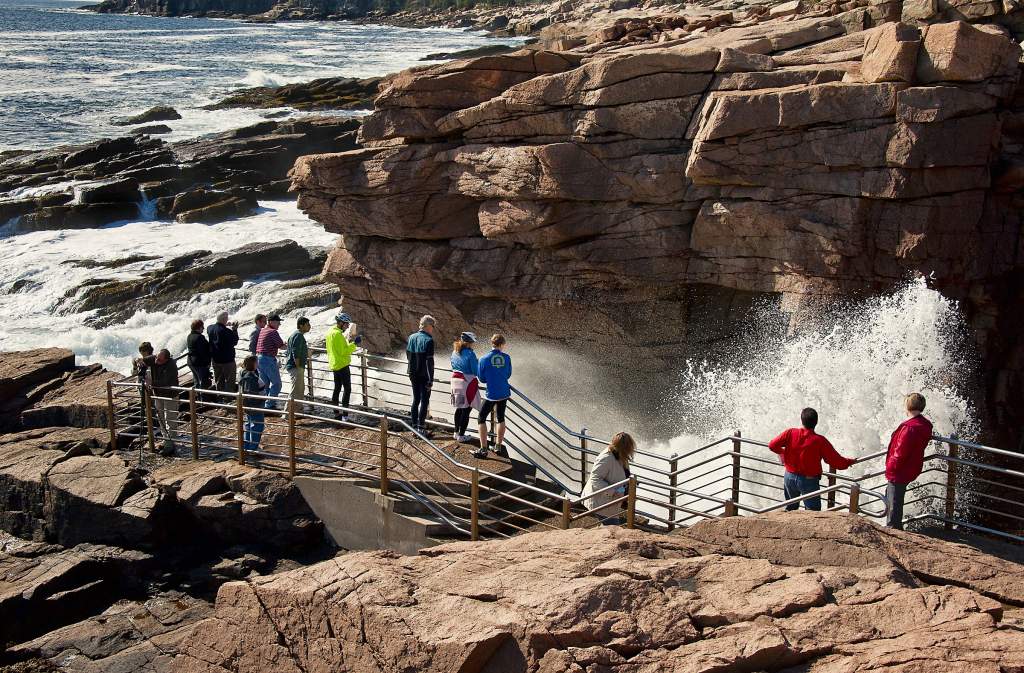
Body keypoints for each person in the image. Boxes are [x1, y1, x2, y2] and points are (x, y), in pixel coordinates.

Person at [768, 408, 856, 511]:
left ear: (802, 420)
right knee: (812, 512)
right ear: (816, 422)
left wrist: (783, 453)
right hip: (808, 480)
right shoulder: (819, 440)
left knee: (791, 508)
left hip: (789, 476)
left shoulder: (790, 433)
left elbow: (772, 445)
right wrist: (849, 461)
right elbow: (835, 461)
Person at [884, 393, 933, 530]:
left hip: (899, 470)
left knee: (894, 502)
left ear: (907, 405)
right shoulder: (924, 425)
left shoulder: (909, 428)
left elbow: (900, 453)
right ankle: (893, 526)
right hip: (912, 466)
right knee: (894, 499)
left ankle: (893, 529)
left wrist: (890, 468)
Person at [583, 432, 635, 525]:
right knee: (613, 530)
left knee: (611, 529)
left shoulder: (619, 455)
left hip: (609, 503)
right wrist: (613, 491)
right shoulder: (606, 458)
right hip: (601, 503)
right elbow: (595, 479)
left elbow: (621, 473)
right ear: (624, 447)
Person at [475, 334, 512, 459]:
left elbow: (481, 378)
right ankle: (498, 446)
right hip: (504, 392)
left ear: (492, 344)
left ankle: (483, 448)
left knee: (481, 418)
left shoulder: (483, 359)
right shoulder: (507, 357)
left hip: (491, 394)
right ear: (502, 344)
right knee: (500, 418)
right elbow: (508, 374)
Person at [326, 313, 361, 421]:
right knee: (347, 389)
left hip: (334, 364)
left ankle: (336, 413)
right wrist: (355, 344)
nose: (347, 326)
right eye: (346, 324)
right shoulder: (337, 334)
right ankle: (345, 416)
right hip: (342, 365)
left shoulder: (330, 332)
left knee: (337, 389)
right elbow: (343, 352)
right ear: (341, 323)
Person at [406, 315, 435, 436]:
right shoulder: (429, 340)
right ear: (428, 326)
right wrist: (430, 380)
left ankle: (413, 427)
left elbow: (408, 355)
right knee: (424, 400)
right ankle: (421, 428)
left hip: (412, 373)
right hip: (424, 375)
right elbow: (430, 362)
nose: (433, 329)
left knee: (416, 399)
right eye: (433, 326)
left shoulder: (411, 337)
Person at [450, 332, 480, 443]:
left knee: (459, 407)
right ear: (469, 343)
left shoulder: (454, 351)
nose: (473, 345)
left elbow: (453, 365)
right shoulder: (470, 354)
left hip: (455, 381)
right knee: (467, 409)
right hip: (465, 383)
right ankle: (461, 436)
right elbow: (475, 371)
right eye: (473, 343)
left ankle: (456, 432)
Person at [149, 348, 180, 456]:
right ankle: (166, 439)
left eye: (160, 360)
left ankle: (170, 444)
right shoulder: (155, 359)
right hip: (158, 394)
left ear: (167, 359)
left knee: (170, 419)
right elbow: (140, 360)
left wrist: (151, 382)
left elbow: (166, 382)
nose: (156, 361)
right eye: (156, 358)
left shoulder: (171, 365)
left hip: (169, 395)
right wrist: (137, 361)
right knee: (161, 418)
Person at [255, 314, 285, 410]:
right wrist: (291, 346)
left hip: (259, 358)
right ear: (271, 322)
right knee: (277, 384)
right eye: (278, 322)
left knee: (265, 384)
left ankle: (264, 404)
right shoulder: (273, 332)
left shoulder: (263, 330)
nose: (279, 324)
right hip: (268, 359)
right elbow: (281, 346)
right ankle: (269, 405)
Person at [238, 355, 266, 452]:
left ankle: (247, 446)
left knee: (248, 424)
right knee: (257, 426)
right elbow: (258, 393)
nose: (258, 363)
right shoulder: (254, 378)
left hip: (245, 403)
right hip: (256, 405)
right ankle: (253, 447)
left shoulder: (242, 373)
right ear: (254, 364)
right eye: (257, 362)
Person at [207, 311, 239, 392]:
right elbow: (234, 341)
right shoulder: (226, 331)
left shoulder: (210, 328)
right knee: (230, 380)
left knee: (218, 379)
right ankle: (228, 398)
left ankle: (220, 396)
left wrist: (224, 324)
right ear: (225, 319)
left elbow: (213, 327)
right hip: (227, 361)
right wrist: (234, 330)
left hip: (215, 359)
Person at [286, 317, 312, 407]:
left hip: (295, 366)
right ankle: (288, 414)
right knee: (295, 391)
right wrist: (298, 366)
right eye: (307, 325)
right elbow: (295, 352)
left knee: (299, 390)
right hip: (296, 367)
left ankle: (296, 411)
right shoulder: (298, 335)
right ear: (301, 325)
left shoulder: (296, 334)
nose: (310, 326)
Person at [186, 319, 212, 392]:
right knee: (203, 382)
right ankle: (203, 400)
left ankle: (197, 399)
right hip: (199, 363)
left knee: (197, 381)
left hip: (191, 361)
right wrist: (207, 363)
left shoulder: (189, 336)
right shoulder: (200, 337)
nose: (203, 328)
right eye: (202, 327)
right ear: (199, 327)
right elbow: (203, 352)